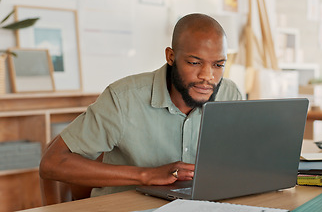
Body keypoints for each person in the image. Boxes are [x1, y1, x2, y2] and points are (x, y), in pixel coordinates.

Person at [39, 13, 243, 198]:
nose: (208, 76)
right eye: (194, 63)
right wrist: (147, 174)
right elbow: (52, 163)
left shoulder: (229, 94)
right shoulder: (123, 98)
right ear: (171, 57)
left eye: (218, 65)